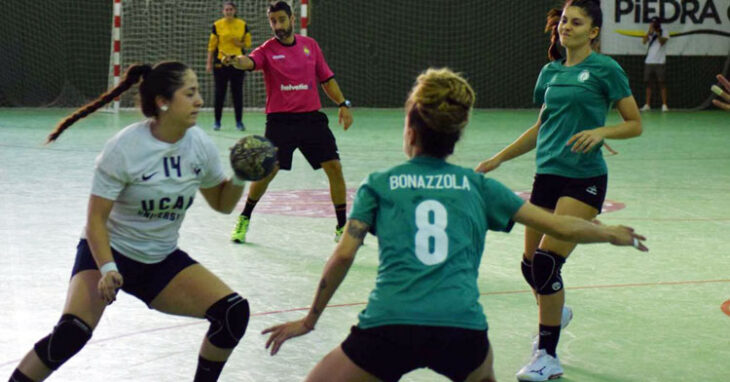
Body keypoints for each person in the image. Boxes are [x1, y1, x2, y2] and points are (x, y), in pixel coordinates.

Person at [260, 68, 648, 382]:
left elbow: (344, 255)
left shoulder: (380, 185)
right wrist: (609, 233)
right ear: (457, 135)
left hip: (389, 325)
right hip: (461, 330)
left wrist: (311, 320)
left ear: (410, 128)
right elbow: (559, 227)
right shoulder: (479, 188)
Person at [8, 62, 251, 382]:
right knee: (71, 333)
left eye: (198, 92)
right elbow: (95, 218)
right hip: (110, 251)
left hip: (159, 260)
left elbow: (221, 204)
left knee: (232, 313)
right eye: (190, 93)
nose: (199, 101)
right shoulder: (125, 148)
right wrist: (108, 268)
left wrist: (241, 176)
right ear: (163, 102)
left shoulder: (199, 145)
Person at [475, 1, 642, 380]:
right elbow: (542, 127)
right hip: (546, 176)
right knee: (531, 266)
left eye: (576, 22)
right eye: (564, 20)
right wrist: (499, 158)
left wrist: (602, 131)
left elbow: (634, 123)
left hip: (584, 178)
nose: (566, 27)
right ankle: (557, 312)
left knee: (548, 262)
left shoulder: (605, 69)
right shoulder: (550, 72)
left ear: (593, 32)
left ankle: (547, 357)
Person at [225, 1, 354, 244]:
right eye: (273, 21)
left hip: (311, 120)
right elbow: (250, 62)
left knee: (334, 167)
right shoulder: (267, 49)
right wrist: (236, 61)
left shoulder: (310, 46)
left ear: (292, 19)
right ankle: (244, 218)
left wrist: (343, 104)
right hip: (280, 122)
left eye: (282, 20)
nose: (278, 26)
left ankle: (341, 226)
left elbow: (327, 79)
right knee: (268, 172)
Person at [206, 1, 252, 131]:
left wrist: (240, 43)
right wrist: (209, 62)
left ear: (235, 11)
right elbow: (211, 46)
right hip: (221, 62)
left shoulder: (242, 24)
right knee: (219, 93)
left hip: (237, 62)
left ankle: (239, 122)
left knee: (237, 93)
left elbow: (247, 44)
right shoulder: (217, 25)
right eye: (226, 9)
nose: (228, 12)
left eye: (231, 9)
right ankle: (217, 122)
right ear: (223, 11)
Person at [640, 16, 670, 112]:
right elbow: (644, 42)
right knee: (648, 83)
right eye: (652, 23)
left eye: (654, 23)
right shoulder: (650, 32)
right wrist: (649, 32)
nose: (653, 25)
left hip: (660, 61)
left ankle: (664, 105)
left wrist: (657, 33)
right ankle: (647, 104)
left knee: (662, 83)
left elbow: (662, 42)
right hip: (649, 61)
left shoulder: (664, 31)